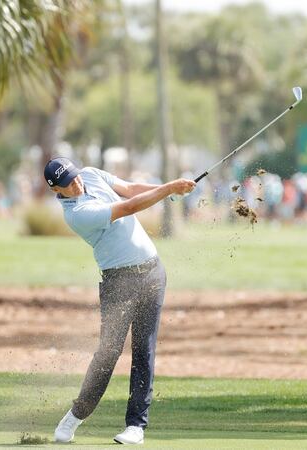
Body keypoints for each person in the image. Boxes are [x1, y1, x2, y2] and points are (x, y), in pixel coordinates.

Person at [44, 157, 195, 445]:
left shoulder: (89, 174)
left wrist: (171, 188)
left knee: (144, 349)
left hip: (153, 272)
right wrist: (170, 188)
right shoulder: (77, 214)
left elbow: (131, 188)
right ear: (57, 191)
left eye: (74, 176)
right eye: (68, 184)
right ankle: (75, 415)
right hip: (118, 282)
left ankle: (136, 426)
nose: (76, 183)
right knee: (108, 353)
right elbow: (128, 207)